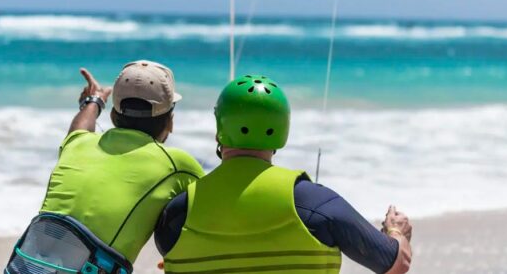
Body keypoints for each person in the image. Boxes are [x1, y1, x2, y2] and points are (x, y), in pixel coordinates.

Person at [155, 75, 412, 274]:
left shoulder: (177, 213)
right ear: (282, 131)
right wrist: (397, 232)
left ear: (219, 129)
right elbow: (394, 263)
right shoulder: (316, 203)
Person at [5, 60, 204, 274]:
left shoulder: (77, 145)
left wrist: (94, 101)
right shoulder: (177, 165)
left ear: (112, 115)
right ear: (170, 122)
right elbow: (217, 202)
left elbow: (79, 128)